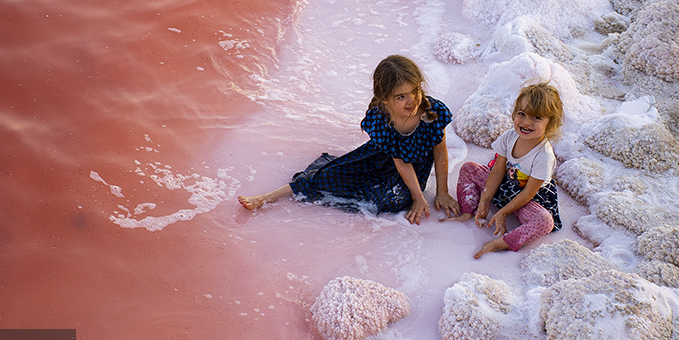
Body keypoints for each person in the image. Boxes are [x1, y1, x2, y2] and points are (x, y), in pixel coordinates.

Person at [238, 55, 461, 224]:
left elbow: (440, 151)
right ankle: (268, 196)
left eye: (414, 91)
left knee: (389, 201)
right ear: (384, 100)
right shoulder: (383, 119)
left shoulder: (432, 112)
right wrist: (419, 197)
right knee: (327, 177)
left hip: (416, 167)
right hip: (380, 158)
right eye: (400, 97)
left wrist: (441, 191)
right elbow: (399, 161)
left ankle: (400, 193)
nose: (411, 101)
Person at [444, 82, 563, 258]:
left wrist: (502, 212)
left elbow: (528, 193)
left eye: (537, 118)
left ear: (550, 125)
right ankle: (468, 210)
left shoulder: (544, 156)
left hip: (529, 198)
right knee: (469, 168)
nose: (527, 122)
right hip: (506, 184)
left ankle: (505, 241)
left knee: (545, 221)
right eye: (522, 114)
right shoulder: (510, 137)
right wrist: (485, 198)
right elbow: (498, 171)